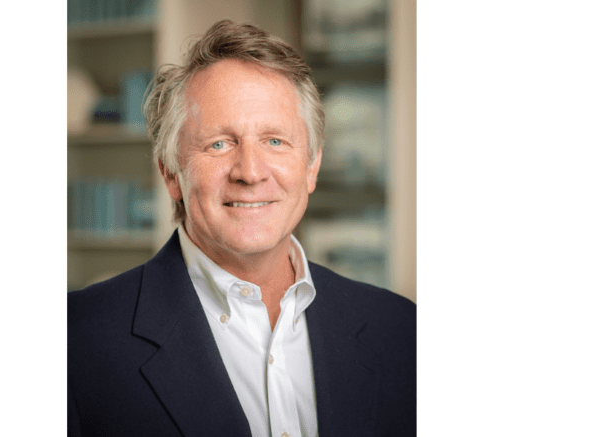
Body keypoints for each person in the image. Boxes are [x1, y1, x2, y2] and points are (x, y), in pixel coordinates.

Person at [68, 19, 415, 437]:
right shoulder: (74, 341)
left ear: (312, 166)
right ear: (171, 173)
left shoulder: (401, 329)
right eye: (219, 143)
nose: (250, 172)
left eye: (275, 141)